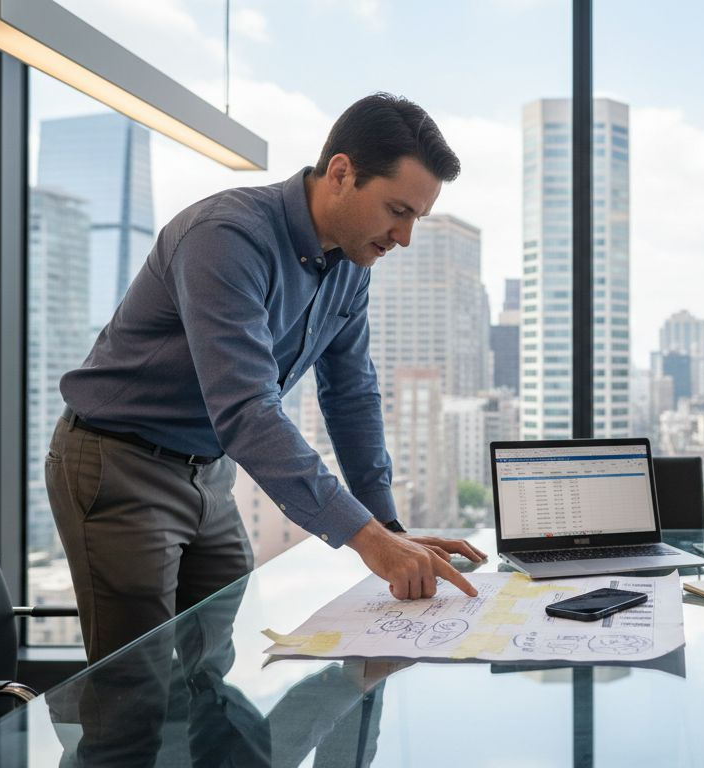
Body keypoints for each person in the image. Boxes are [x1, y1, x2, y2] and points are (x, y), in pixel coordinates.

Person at [46, 92, 486, 664]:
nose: (404, 237)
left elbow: (352, 395)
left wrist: (388, 525)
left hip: (208, 471)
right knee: (135, 685)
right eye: (397, 210)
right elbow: (247, 411)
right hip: (118, 464)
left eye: (416, 219)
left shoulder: (352, 267)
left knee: (211, 670)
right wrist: (370, 542)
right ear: (341, 172)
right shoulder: (226, 237)